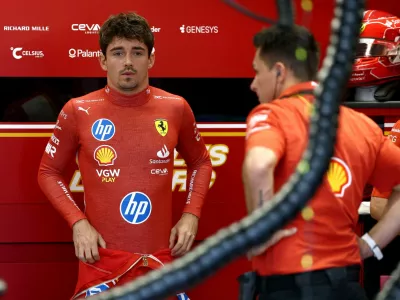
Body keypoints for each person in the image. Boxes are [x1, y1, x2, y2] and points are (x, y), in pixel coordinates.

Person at [37, 12, 212, 299]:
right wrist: (78, 222)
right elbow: (47, 172)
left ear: (151, 59)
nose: (128, 61)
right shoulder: (77, 110)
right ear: (103, 60)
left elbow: (201, 162)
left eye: (137, 52)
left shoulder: (176, 107)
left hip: (159, 262)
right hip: (100, 263)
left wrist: (191, 215)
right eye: (118, 52)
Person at [241, 24, 400, 300]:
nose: (253, 83)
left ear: (279, 72)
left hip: (289, 284)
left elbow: (259, 165)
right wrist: (371, 244)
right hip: (348, 284)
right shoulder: (361, 124)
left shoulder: (270, 115)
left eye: (257, 71)